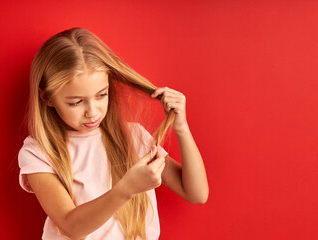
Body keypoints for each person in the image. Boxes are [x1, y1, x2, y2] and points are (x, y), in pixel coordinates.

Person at [18, 27, 209, 240]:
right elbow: (72, 226)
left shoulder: (133, 136)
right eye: (76, 102)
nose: (92, 111)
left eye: (101, 95)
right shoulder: (38, 152)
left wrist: (181, 127)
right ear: (48, 99)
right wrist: (126, 188)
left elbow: (197, 194)